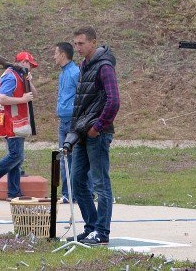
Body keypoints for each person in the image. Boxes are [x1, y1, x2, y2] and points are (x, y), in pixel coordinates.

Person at [68, 26, 120, 246]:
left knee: (100, 184)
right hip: (82, 132)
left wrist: (98, 126)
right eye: (76, 44)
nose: (78, 48)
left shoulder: (104, 66)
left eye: (81, 43)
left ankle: (102, 232)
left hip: (97, 133)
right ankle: (91, 228)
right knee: (77, 180)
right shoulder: (84, 65)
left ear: (93, 42)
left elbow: (113, 100)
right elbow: (82, 101)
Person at [0, 51, 37, 201]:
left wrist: (29, 81)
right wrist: (22, 98)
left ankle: (14, 192)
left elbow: (34, 94)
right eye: (30, 64)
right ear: (24, 62)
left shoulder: (19, 75)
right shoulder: (11, 76)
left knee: (17, 159)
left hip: (16, 121)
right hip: (10, 120)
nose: (31, 67)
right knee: (16, 156)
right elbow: (1, 98)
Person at [54, 42, 81, 203]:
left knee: (75, 159)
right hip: (63, 121)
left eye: (56, 53)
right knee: (63, 159)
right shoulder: (63, 73)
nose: (54, 56)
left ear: (63, 54)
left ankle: (78, 192)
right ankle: (67, 193)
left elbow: (81, 96)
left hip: (72, 121)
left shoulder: (75, 72)